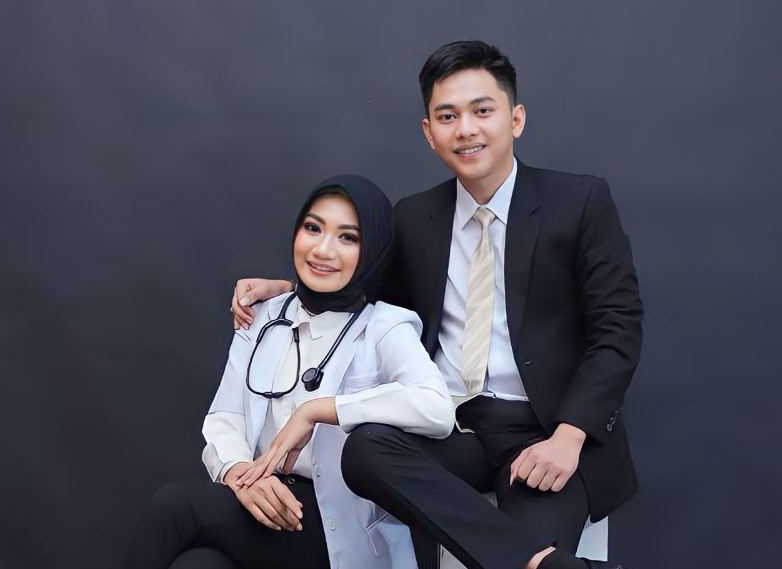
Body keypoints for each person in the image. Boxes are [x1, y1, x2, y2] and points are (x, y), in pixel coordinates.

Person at [231, 41, 642, 569]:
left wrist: (570, 436)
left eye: (482, 111)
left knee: (520, 533)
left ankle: (534, 558)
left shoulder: (579, 202)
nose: (465, 129)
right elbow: (369, 298)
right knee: (364, 450)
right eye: (448, 116)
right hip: (451, 428)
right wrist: (288, 287)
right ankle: (544, 564)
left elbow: (617, 329)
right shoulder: (415, 217)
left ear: (515, 119)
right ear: (429, 132)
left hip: (544, 431)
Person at [124, 175, 455, 569]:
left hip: (333, 524)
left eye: (347, 238)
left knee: (177, 506)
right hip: (262, 498)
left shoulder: (385, 326)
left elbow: (436, 408)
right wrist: (240, 474)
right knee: (200, 565)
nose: (322, 249)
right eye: (313, 228)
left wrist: (320, 409)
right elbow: (226, 416)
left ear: (373, 251)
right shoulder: (264, 314)